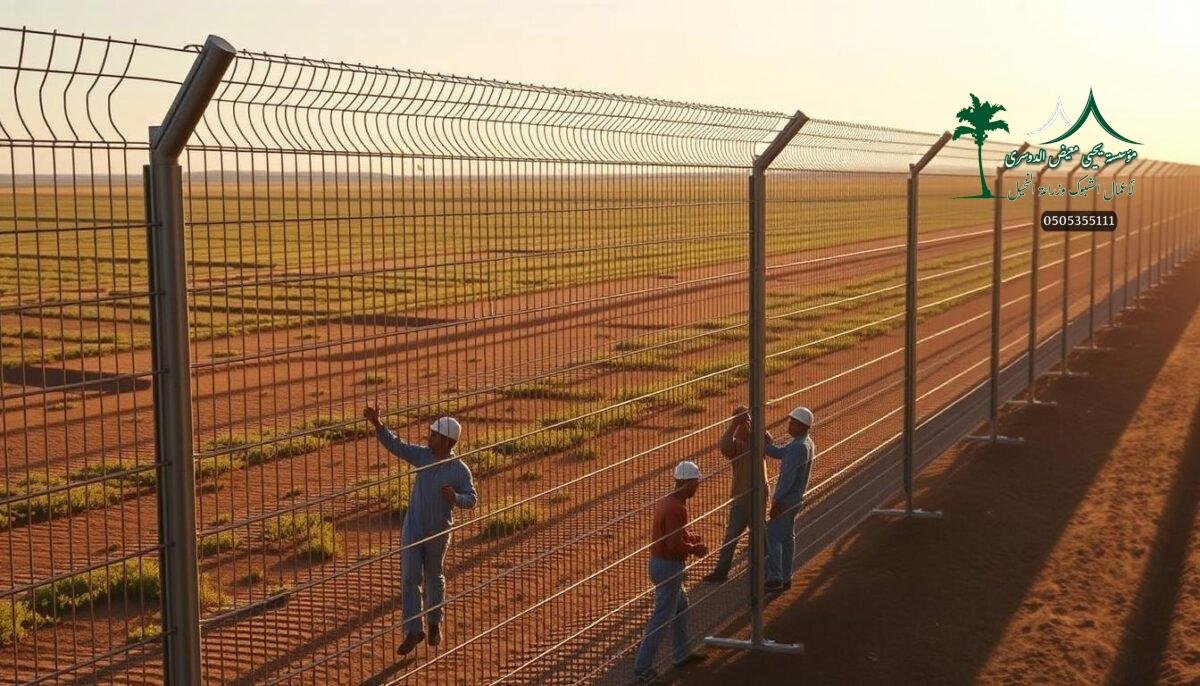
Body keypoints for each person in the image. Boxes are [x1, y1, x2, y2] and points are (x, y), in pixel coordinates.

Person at [363, 406, 477, 656]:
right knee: (410, 578)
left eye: (434, 435)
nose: (429, 438)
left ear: (447, 441)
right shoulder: (423, 456)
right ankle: (414, 630)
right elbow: (398, 446)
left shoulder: (459, 470)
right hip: (413, 529)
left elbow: (472, 499)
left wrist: (456, 497)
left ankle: (434, 622)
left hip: (439, 532)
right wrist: (378, 425)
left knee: (434, 577)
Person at [632, 461, 709, 684]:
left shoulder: (668, 501)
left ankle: (681, 652)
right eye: (695, 483)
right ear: (686, 483)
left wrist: (690, 537)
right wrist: (694, 549)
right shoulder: (677, 508)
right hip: (668, 567)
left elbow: (675, 533)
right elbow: (673, 544)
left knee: (681, 607)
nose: (697, 487)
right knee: (661, 618)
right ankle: (642, 668)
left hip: (660, 564)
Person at [702, 406, 768, 583]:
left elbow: (769, 441)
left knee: (756, 531)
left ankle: (766, 565)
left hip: (754, 494)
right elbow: (725, 445)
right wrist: (735, 424)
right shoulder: (738, 446)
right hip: (744, 494)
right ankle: (724, 571)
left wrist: (752, 423)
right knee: (741, 534)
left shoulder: (758, 441)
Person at [763, 406, 816, 594]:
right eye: (790, 421)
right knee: (786, 537)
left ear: (803, 426)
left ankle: (775, 578)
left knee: (773, 536)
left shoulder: (797, 447)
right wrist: (767, 443)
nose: (790, 425)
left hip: (786, 500)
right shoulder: (805, 443)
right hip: (795, 499)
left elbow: (787, 478)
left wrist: (776, 500)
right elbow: (779, 453)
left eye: (794, 423)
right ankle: (786, 578)